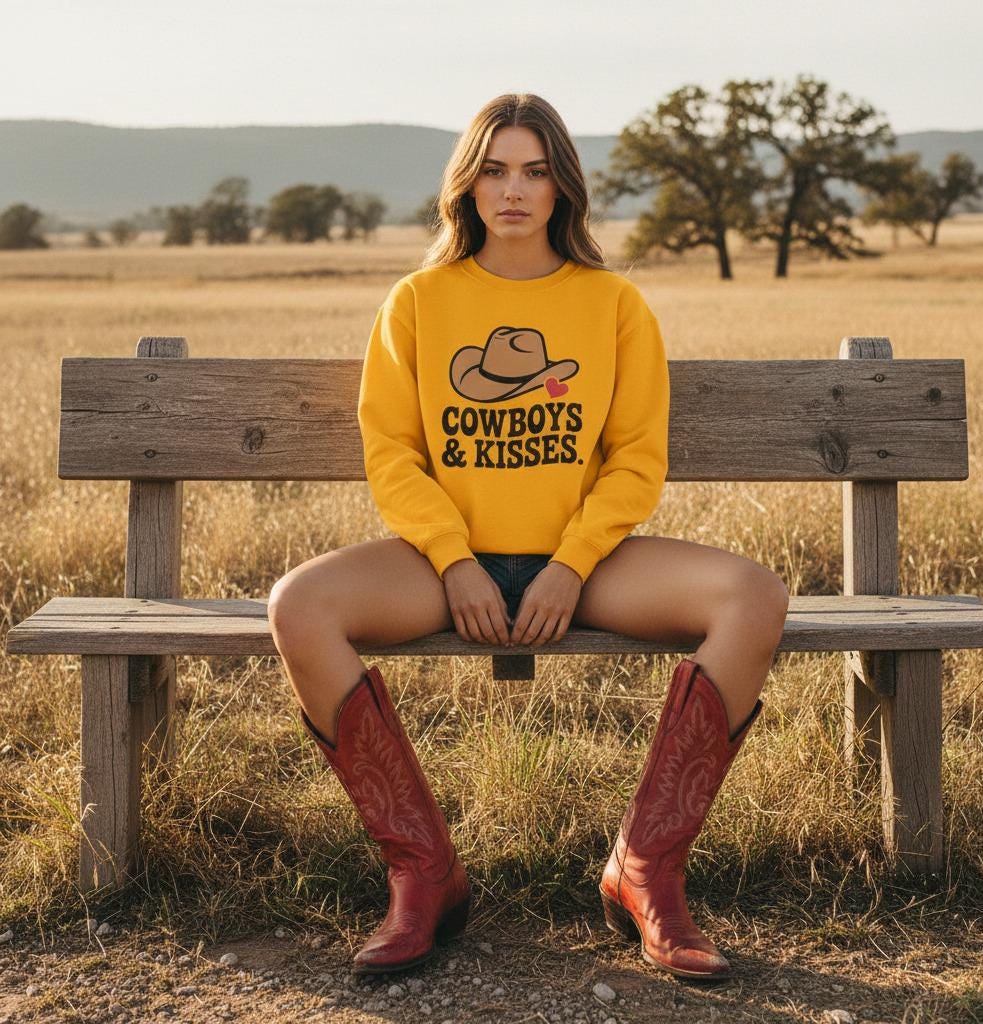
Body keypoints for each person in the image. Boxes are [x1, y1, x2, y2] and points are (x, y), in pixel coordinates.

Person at [268, 93, 789, 981]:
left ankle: (645, 871)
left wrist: (570, 565)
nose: (515, 190)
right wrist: (455, 560)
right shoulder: (420, 300)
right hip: (446, 565)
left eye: (536, 171)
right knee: (299, 605)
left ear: (562, 190)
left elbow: (634, 460)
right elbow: (392, 453)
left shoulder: (611, 302)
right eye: (497, 170)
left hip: (584, 564)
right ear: (468, 186)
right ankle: (425, 876)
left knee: (754, 596)